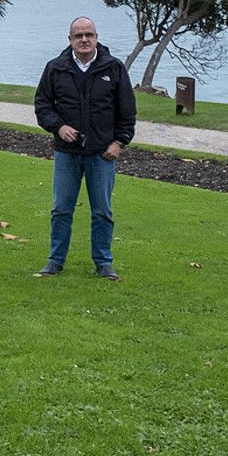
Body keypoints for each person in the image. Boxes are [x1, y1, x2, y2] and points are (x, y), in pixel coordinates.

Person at [33, 17, 136, 279]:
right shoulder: (56, 68)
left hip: (102, 154)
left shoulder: (113, 68)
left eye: (88, 34)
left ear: (97, 37)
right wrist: (59, 127)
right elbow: (43, 105)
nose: (84, 40)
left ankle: (103, 262)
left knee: (102, 210)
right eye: (78, 35)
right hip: (67, 153)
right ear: (69, 40)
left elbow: (127, 110)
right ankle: (55, 260)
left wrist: (119, 142)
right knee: (61, 209)